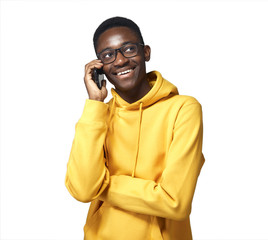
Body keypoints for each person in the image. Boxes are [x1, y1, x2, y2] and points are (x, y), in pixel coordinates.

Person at [65, 16, 205, 240]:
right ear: (100, 65)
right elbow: (82, 190)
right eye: (108, 55)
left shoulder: (183, 109)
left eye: (128, 49)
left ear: (146, 52)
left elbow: (175, 202)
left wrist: (102, 184)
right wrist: (94, 105)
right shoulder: (99, 116)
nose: (119, 61)